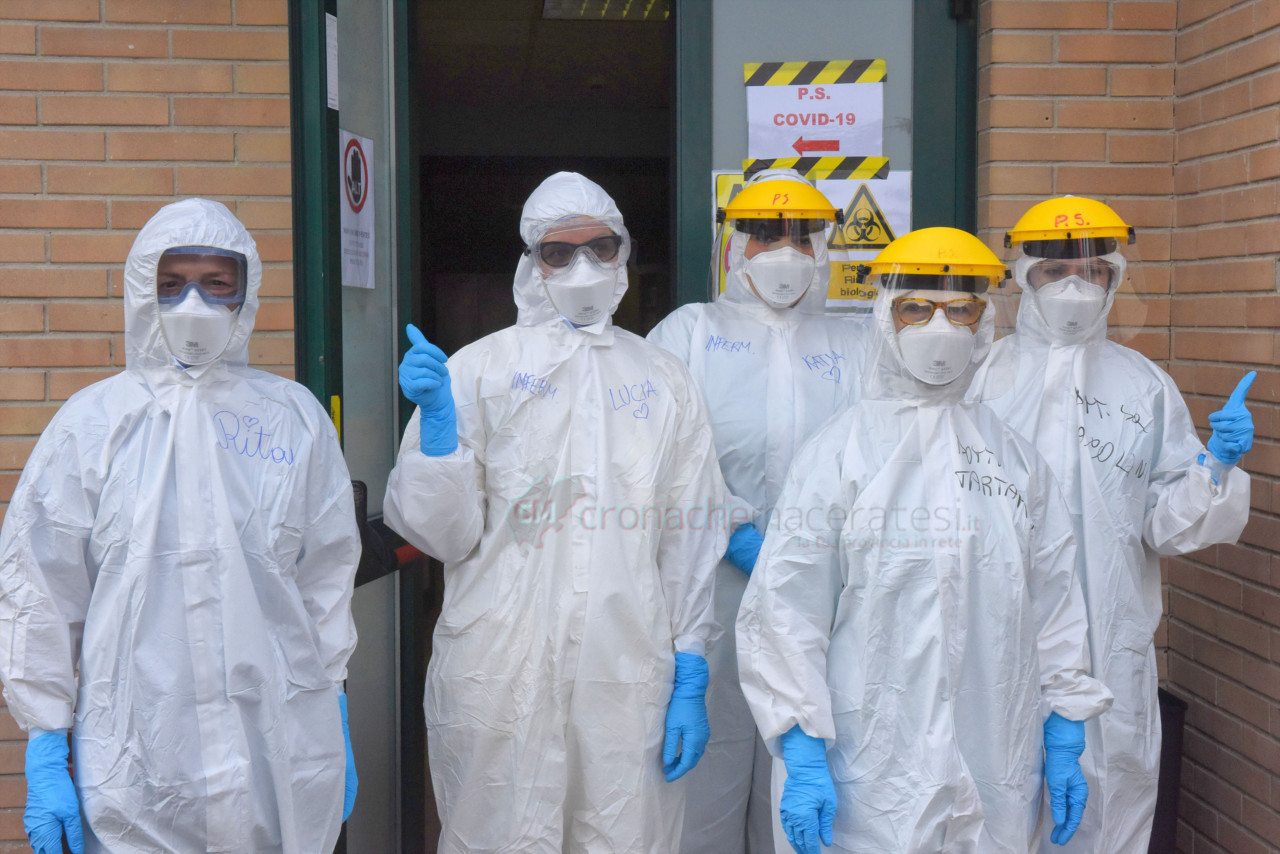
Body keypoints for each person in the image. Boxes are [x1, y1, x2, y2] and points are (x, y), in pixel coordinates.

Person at [736, 227, 1114, 854]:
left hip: (996, 755)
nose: (941, 327)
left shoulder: (1014, 460)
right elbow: (786, 613)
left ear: (983, 323)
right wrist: (800, 745)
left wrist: (1066, 728)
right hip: (869, 767)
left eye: (960, 309)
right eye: (916, 308)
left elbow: (1054, 603)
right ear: (886, 317)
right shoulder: (838, 455)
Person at [383, 172, 729, 853]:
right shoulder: (476, 370)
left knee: (623, 834)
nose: (582, 267)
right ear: (530, 262)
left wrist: (690, 661)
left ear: (624, 253)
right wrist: (439, 437)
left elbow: (689, 531)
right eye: (558, 252)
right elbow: (442, 535)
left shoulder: (663, 379)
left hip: (626, 666)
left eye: (601, 247)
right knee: (502, 833)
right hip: (500, 664)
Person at [0, 199, 360, 854]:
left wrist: (331, 699)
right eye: (171, 284)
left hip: (276, 748)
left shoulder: (294, 420)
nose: (194, 304)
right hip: (136, 762)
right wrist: (45, 739)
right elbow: (40, 593)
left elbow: (326, 578)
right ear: (143, 289)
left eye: (217, 283)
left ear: (246, 291)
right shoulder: (90, 426)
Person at [969, 197, 1253, 854]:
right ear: (1025, 276)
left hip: (1108, 640)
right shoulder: (981, 375)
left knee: (1109, 803)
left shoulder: (1142, 385)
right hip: (993, 626)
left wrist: (1214, 466)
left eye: (1092, 271)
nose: (1074, 286)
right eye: (1056, 270)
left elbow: (1164, 526)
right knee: (992, 797)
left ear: (1113, 278)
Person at [647, 170, 869, 854]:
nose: (784, 252)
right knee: (702, 792)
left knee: (804, 777)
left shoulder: (856, 345)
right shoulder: (689, 333)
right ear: (732, 243)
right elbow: (661, 458)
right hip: (707, 593)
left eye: (801, 236)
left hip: (821, 596)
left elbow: (877, 461)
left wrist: (812, 555)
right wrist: (737, 532)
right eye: (765, 235)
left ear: (824, 247)